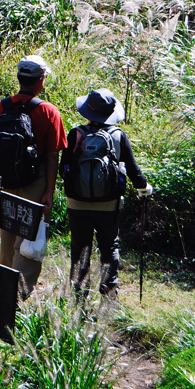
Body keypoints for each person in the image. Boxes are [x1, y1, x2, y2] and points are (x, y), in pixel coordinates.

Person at [0, 55, 66, 298]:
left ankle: (1, 289)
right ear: (41, 80)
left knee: (6, 236)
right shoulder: (48, 111)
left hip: (3, 181)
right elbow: (52, 156)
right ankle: (18, 295)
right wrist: (49, 191)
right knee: (30, 238)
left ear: (20, 78)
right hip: (36, 181)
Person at [60, 88, 153, 295]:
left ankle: (78, 292)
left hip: (77, 202)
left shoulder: (76, 134)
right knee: (110, 246)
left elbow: (62, 168)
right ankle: (109, 290)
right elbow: (133, 170)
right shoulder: (118, 136)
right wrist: (144, 188)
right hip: (109, 204)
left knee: (80, 247)